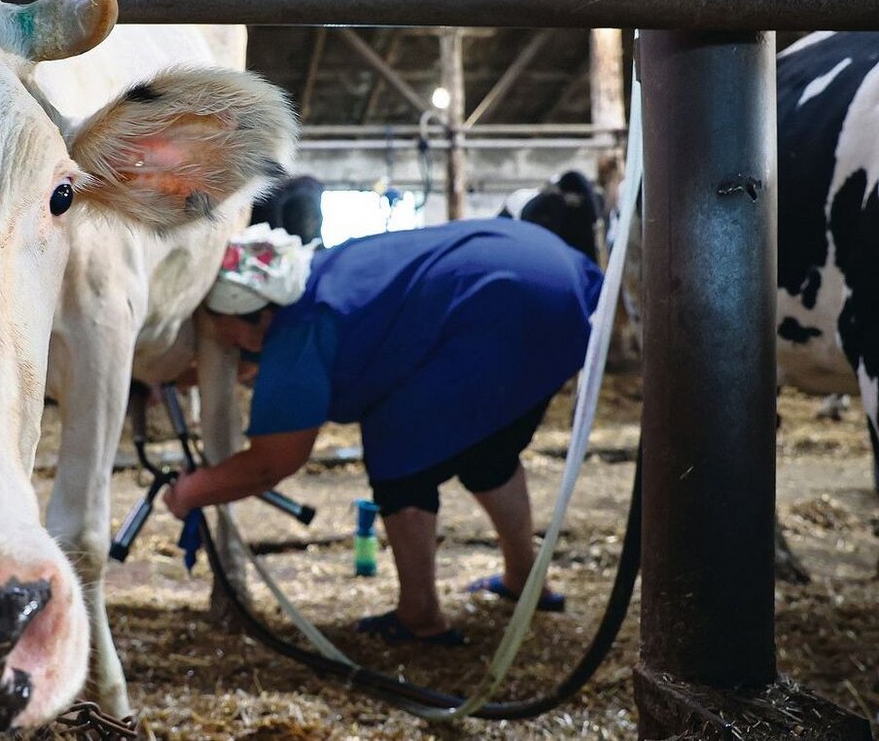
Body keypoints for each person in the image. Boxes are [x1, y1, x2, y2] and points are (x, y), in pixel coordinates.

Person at [163, 218, 603, 645]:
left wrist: (190, 493)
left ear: (250, 316)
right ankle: (526, 579)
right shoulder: (313, 275)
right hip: (550, 276)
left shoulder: (297, 332)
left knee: (400, 449)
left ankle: (420, 616)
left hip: (501, 306)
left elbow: (270, 463)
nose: (223, 342)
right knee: (487, 452)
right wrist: (175, 376)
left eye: (222, 332)